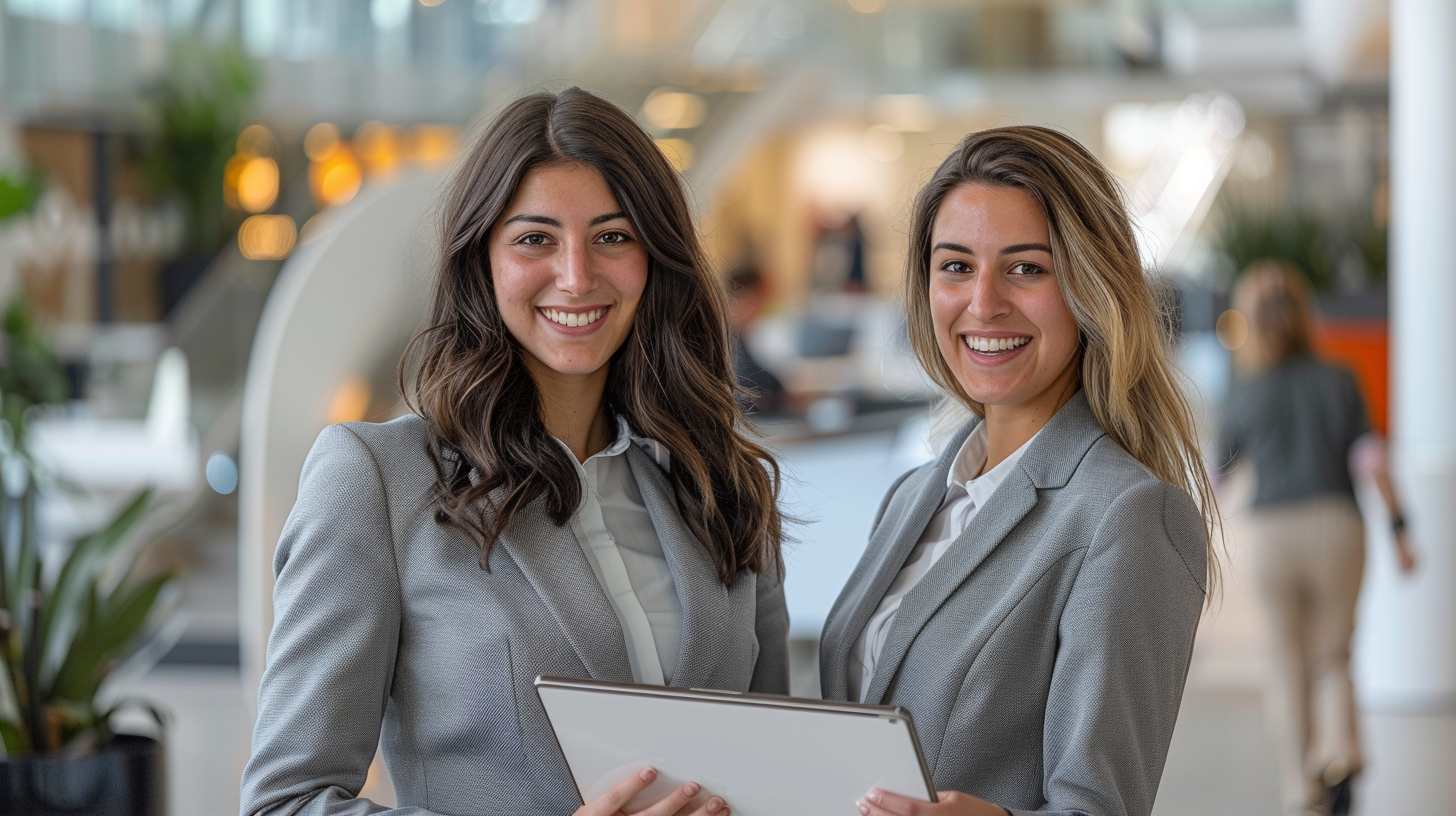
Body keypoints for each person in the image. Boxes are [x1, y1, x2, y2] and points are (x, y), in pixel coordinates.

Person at [240, 88, 788, 816]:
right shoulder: (378, 481)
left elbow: (779, 768)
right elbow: (287, 801)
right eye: (535, 239)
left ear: (655, 259)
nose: (577, 276)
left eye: (612, 237)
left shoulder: (725, 483)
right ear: (483, 259)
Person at [818, 126, 1218, 816]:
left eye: (1026, 268)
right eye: (955, 267)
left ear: (1089, 286)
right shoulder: (914, 497)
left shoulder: (1127, 517)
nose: (984, 303)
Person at [1214, 262, 1415, 816]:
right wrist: (1400, 528)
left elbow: (1218, 478)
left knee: (1286, 663)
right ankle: (1341, 754)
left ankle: (1301, 791)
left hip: (1273, 535)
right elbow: (1369, 458)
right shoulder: (1340, 376)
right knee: (1334, 655)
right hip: (1337, 527)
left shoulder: (1246, 391)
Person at [726, 264, 786, 416]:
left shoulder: (740, 338)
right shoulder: (728, 343)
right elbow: (753, 393)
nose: (766, 304)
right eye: (764, 296)